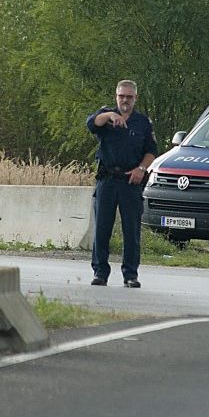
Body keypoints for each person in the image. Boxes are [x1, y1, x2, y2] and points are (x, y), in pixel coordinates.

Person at [87, 79, 157, 288]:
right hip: (107, 179)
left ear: (135, 98)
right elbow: (91, 123)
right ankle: (100, 272)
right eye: (121, 96)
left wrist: (141, 169)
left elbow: (151, 151)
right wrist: (110, 115)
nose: (125, 100)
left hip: (131, 182)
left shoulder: (143, 122)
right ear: (116, 97)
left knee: (131, 230)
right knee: (102, 230)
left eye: (129, 97)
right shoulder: (106, 117)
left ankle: (130, 275)